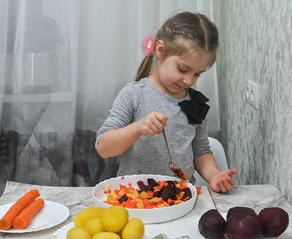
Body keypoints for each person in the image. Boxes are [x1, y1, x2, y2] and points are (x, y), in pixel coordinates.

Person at [95, 11, 237, 193]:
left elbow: (201, 151)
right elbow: (103, 148)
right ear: (160, 51)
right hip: (134, 197)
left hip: (180, 198)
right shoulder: (134, 94)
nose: (189, 81)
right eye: (183, 69)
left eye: (197, 74)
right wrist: (137, 128)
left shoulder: (196, 102)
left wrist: (214, 175)